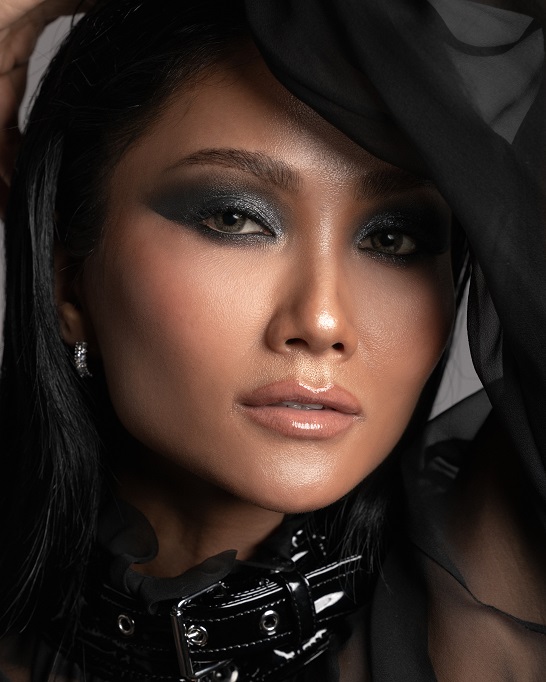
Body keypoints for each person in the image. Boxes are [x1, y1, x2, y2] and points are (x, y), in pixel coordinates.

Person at [0, 1, 544, 681]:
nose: (322, 321)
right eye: (235, 219)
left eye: (392, 238)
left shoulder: (492, 599)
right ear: (69, 283)